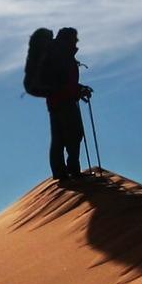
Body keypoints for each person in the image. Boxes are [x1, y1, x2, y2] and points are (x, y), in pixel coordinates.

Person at [40, 26, 91, 181]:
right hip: (64, 101)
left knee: (60, 138)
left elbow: (63, 82)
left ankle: (61, 174)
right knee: (73, 135)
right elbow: (63, 82)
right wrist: (78, 90)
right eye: (74, 38)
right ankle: (72, 173)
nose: (76, 41)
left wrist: (79, 89)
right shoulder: (62, 56)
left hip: (56, 101)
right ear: (67, 39)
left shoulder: (57, 55)